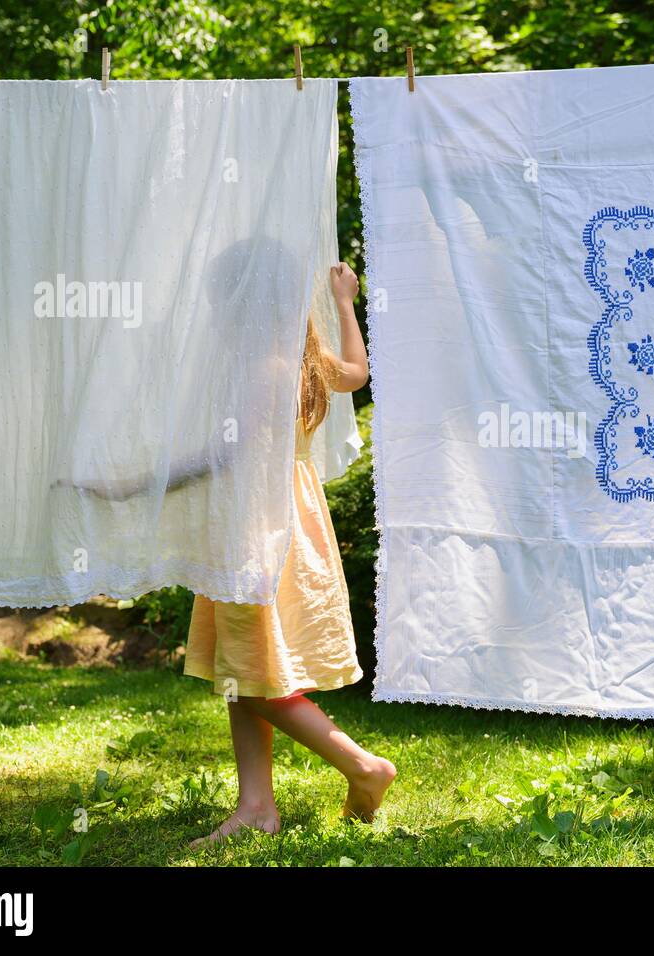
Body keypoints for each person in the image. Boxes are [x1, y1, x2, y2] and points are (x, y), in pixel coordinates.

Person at [181, 261, 395, 845]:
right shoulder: (302, 363)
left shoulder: (259, 372)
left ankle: (362, 766)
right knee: (248, 667)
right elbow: (356, 372)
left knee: (254, 679)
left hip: (256, 528)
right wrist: (345, 302)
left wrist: (143, 484)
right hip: (290, 521)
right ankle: (256, 804)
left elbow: (227, 459)